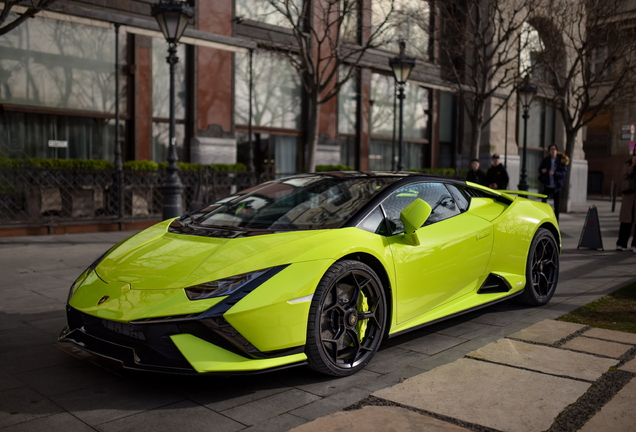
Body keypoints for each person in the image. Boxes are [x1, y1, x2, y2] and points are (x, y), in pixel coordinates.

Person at [538, 144, 569, 222]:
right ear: (549, 151)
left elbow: (563, 173)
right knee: (543, 203)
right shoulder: (546, 160)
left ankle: (556, 222)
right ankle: (544, 219)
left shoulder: (561, 161)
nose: (553, 150)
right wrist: (542, 170)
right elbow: (540, 169)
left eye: (554, 149)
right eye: (551, 149)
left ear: (557, 151)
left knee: (557, 206)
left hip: (556, 186)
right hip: (547, 185)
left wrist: (554, 174)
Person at [616, 154, 636, 252]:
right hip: (629, 195)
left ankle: (635, 245)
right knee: (626, 220)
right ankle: (621, 243)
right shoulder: (629, 162)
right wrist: (632, 166)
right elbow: (624, 175)